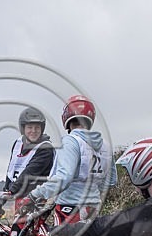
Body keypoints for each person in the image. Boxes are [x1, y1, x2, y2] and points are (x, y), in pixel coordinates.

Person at [25, 95, 117, 227]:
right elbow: (111, 180)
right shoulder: (106, 145)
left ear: (66, 118)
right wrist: (92, 189)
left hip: (70, 206)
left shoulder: (70, 141)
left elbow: (64, 177)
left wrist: (35, 194)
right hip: (93, 207)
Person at [0, 107, 55, 236]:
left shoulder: (45, 148)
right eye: (30, 127)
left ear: (42, 128)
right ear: (23, 128)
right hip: (20, 198)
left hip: (35, 200)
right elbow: (12, 169)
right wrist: (5, 189)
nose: (33, 131)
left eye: (37, 128)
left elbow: (29, 173)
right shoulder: (17, 144)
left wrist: (10, 192)